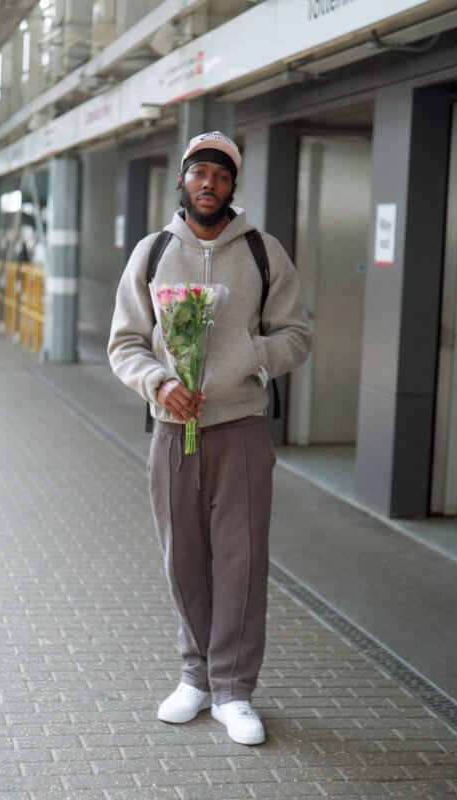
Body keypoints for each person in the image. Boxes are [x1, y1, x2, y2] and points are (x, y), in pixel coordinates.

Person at [108, 131, 311, 745]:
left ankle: (234, 691)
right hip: (173, 431)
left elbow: (296, 335)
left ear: (232, 186)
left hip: (241, 427)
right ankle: (195, 678)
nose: (209, 184)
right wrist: (156, 384)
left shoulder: (262, 252)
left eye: (221, 176)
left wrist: (250, 358)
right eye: (199, 173)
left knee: (242, 560)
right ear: (182, 180)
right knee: (184, 557)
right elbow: (125, 343)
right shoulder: (151, 253)